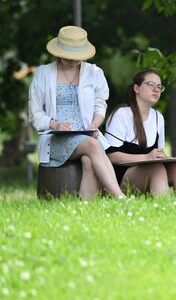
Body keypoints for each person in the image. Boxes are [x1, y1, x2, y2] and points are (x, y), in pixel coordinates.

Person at [28, 25, 125, 199]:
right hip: (57, 138)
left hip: (87, 134)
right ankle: (119, 197)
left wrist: (94, 125)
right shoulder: (43, 73)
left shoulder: (94, 73)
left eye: (77, 57)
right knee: (93, 146)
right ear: (58, 52)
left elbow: (100, 103)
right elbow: (35, 114)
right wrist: (54, 124)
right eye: (68, 56)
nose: (73, 61)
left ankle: (85, 207)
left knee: (88, 160)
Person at [104, 69, 176, 199]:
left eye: (159, 86)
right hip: (120, 178)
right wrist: (147, 157)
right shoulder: (121, 114)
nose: (156, 89)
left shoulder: (158, 117)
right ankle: (160, 210)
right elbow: (111, 156)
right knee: (156, 167)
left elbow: (158, 155)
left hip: (151, 171)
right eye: (151, 84)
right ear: (136, 88)